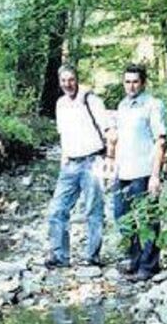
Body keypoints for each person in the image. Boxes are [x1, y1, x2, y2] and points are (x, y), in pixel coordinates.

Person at [45, 64, 115, 269]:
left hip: (92, 162)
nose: (68, 84)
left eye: (71, 80)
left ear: (77, 79)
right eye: (64, 80)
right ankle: (60, 257)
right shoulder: (60, 104)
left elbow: (110, 131)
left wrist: (110, 159)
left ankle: (92, 256)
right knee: (57, 210)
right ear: (59, 82)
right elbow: (64, 135)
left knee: (93, 210)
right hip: (70, 164)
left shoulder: (91, 100)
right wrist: (63, 159)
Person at [110, 63, 167, 281]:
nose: (131, 86)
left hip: (144, 170)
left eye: (135, 81)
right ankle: (134, 259)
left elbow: (160, 141)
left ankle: (149, 265)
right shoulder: (122, 106)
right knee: (121, 218)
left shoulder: (153, 105)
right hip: (123, 172)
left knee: (148, 219)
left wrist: (155, 175)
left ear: (143, 82)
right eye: (127, 81)